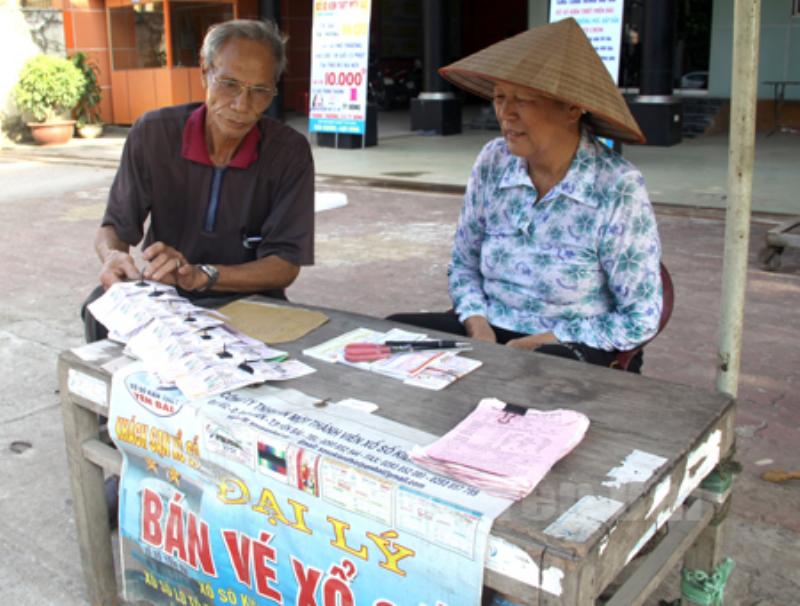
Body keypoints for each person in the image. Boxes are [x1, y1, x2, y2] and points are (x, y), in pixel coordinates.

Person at [388, 18, 662, 374]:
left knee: (527, 380)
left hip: (570, 341)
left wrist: (541, 340)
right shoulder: (493, 160)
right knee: (389, 334)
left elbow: (640, 317)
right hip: (488, 327)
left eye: (524, 100)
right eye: (500, 97)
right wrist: (477, 325)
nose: (506, 114)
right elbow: (463, 265)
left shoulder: (617, 186)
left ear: (572, 108)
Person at [82, 19, 314, 342]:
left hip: (248, 297)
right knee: (99, 307)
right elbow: (114, 228)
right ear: (204, 70)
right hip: (164, 291)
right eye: (229, 84)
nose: (241, 105)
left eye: (259, 91)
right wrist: (112, 256)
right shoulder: (153, 134)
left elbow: (285, 265)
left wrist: (204, 276)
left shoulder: (289, 153)